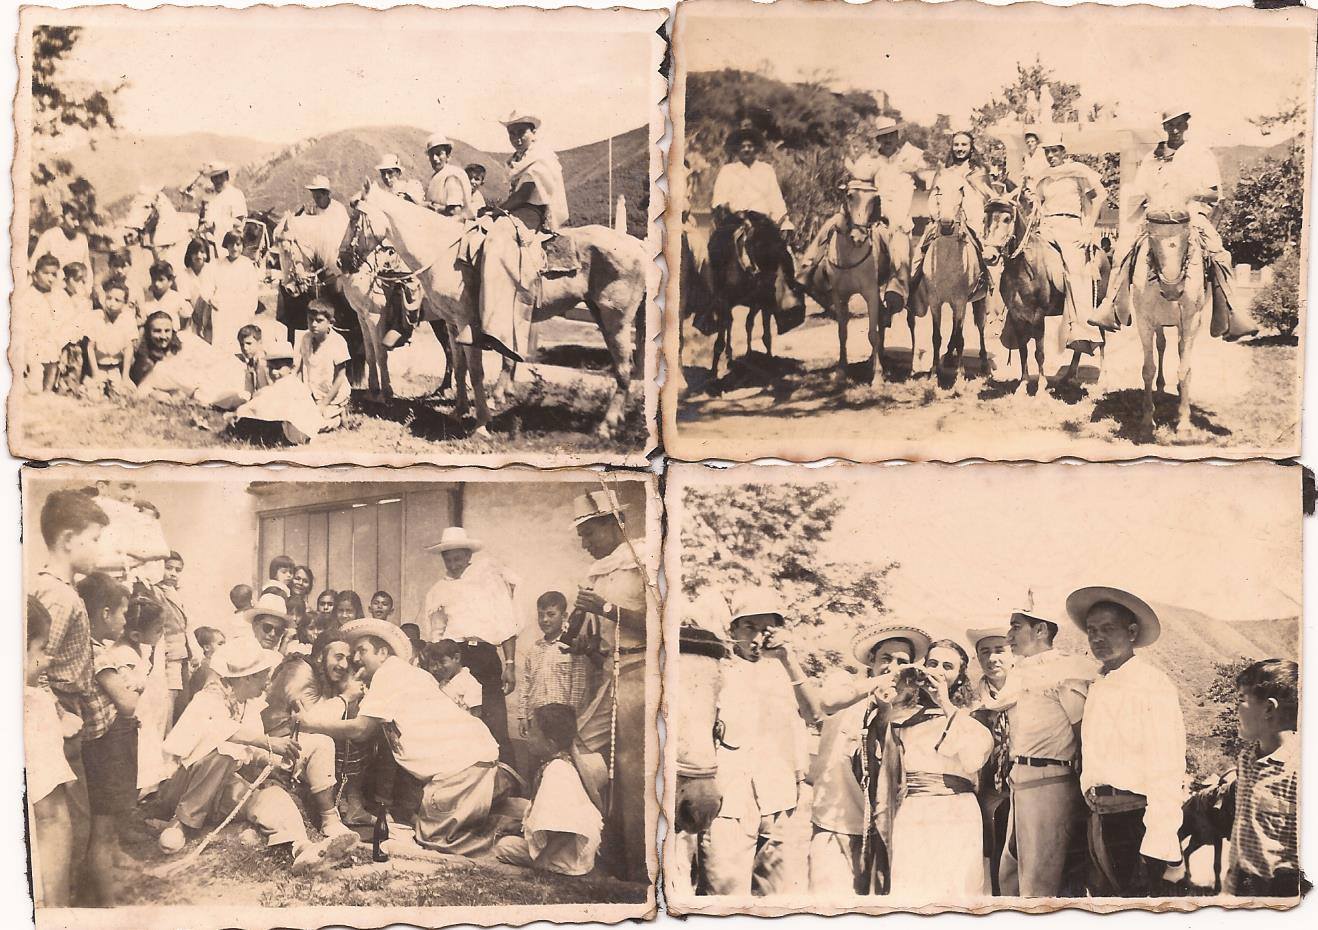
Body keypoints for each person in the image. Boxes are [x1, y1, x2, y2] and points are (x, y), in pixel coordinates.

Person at [296, 617, 504, 855]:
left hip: (461, 771)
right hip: (476, 761)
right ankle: (502, 819)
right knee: (423, 826)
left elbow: (361, 730)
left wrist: (310, 724)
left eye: (362, 650)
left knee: (431, 841)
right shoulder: (408, 674)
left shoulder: (388, 673)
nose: (355, 659)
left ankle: (500, 836)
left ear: (383, 652)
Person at [152, 638, 357, 874]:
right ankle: (180, 824)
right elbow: (220, 733)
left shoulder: (249, 705)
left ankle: (303, 849)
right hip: (183, 790)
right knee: (222, 754)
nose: (268, 681)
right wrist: (269, 743)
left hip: (223, 789)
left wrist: (275, 759)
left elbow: (250, 752)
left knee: (272, 797)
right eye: (263, 675)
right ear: (247, 678)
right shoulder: (208, 699)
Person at [1094, 108, 1256, 340]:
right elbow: (1140, 191)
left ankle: (1232, 313)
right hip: (1155, 217)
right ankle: (1110, 308)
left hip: (1190, 215)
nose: (1175, 129)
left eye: (1179, 123)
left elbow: (1214, 194)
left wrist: (1192, 193)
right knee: (1121, 251)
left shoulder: (1200, 154)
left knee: (1220, 254)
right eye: (1170, 125)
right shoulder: (1152, 157)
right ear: (1164, 127)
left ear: (1187, 125)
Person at [1066, 585, 1186, 897]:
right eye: (1092, 631)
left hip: (1135, 819)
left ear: (1131, 632)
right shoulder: (1100, 684)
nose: (1097, 638)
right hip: (1099, 816)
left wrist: (1160, 839)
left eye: (1108, 629)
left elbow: (1167, 765)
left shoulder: (1151, 685)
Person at [701, 590, 816, 897]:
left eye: (766, 630)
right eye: (748, 627)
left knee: (779, 897)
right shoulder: (716, 672)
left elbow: (814, 713)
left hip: (779, 801)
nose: (756, 638)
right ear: (733, 630)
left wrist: (789, 661)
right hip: (729, 801)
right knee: (726, 893)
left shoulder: (787, 674)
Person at [566, 490, 650, 884]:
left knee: (632, 771)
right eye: (581, 536)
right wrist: (585, 642)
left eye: (589, 533)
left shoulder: (645, 558)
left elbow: (661, 624)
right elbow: (597, 636)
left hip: (641, 667)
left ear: (615, 525)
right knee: (582, 748)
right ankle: (606, 845)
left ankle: (637, 866)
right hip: (608, 673)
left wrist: (604, 609)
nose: (584, 544)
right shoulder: (596, 571)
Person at [810, 624, 930, 895]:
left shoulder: (909, 708)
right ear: (872, 662)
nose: (893, 667)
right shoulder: (844, 683)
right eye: (886, 659)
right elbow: (827, 702)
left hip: (882, 833)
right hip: (834, 824)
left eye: (902, 662)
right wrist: (880, 683)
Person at [989, 605, 1096, 897]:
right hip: (1019, 781)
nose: (1009, 635)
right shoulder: (1020, 671)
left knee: (1039, 880)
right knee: (1010, 874)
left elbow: (1082, 728)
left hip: (1050, 779)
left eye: (1016, 626)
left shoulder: (1066, 669)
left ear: (1041, 630)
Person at [878, 639, 993, 901]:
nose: (938, 671)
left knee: (956, 889)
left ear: (959, 676)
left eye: (947, 666)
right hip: (913, 811)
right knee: (912, 890)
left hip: (956, 811)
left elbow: (973, 760)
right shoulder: (902, 717)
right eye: (932, 664)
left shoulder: (972, 717)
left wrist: (944, 703)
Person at [417, 526, 520, 762]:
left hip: (484, 656)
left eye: (458, 558)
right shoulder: (438, 590)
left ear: (468, 556)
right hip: (454, 658)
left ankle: (509, 787)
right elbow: (436, 634)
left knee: (495, 724)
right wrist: (439, 669)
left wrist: (510, 664)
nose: (453, 565)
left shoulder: (490, 581)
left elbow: (507, 624)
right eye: (448, 560)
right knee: (459, 725)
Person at [798, 117, 923, 313]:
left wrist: (919, 171)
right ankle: (807, 268)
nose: (887, 140)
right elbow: (858, 186)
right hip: (868, 212)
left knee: (899, 242)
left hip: (896, 216)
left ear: (897, 136)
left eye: (891, 135)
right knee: (833, 222)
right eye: (883, 137)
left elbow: (924, 179)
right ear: (878, 140)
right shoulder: (869, 161)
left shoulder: (909, 160)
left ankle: (898, 289)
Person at [74, 571, 140, 905]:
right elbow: (127, 704)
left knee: (109, 818)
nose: (125, 621)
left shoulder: (94, 648)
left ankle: (107, 877)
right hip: (106, 745)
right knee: (102, 826)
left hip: (109, 742)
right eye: (123, 613)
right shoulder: (98, 653)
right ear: (104, 614)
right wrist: (132, 687)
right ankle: (106, 902)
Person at [495, 703, 606, 876]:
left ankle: (552, 864)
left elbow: (567, 828)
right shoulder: (558, 764)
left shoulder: (557, 771)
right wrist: (520, 826)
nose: (528, 737)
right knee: (511, 830)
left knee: (504, 847)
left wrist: (542, 861)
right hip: (571, 854)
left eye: (533, 733)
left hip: (567, 859)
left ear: (550, 744)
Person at [1225, 659, 1299, 897]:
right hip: (1241, 887)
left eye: (1241, 700)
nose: (1236, 710)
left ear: (1268, 709)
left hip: (1282, 893)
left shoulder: (1300, 769)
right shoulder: (1246, 758)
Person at [25, 597, 79, 907]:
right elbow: (52, 816)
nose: (46, 660)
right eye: (41, 649)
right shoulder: (33, 704)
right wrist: (58, 911)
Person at [1033, 132, 1107, 355]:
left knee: (1076, 273)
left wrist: (1088, 228)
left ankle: (1084, 331)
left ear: (1064, 152)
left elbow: (1100, 195)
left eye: (1055, 150)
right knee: (1020, 260)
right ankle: (1005, 320)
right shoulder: (1043, 176)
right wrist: (1035, 204)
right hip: (1045, 226)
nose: (1051, 155)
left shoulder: (1079, 172)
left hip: (1070, 226)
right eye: (1047, 151)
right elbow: (1038, 200)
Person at [909, 130, 994, 309]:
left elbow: (987, 198)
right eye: (956, 144)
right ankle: (913, 291)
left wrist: (976, 218)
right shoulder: (944, 172)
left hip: (974, 220)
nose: (959, 148)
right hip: (945, 219)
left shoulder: (979, 172)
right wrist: (936, 216)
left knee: (988, 252)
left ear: (971, 148)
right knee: (920, 249)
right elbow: (933, 196)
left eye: (964, 145)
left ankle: (991, 290)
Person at [965, 624, 1015, 895]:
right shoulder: (974, 703)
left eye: (1000, 650)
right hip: (990, 794)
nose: (993, 658)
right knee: (993, 862)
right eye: (985, 652)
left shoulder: (1028, 692)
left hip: (1026, 790)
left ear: (1013, 654)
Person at [519, 590, 591, 757]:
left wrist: (571, 718)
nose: (545, 620)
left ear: (564, 616)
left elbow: (578, 685)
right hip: (537, 721)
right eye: (541, 615)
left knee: (562, 761)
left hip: (560, 722)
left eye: (551, 614)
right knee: (536, 764)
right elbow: (526, 684)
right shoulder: (534, 649)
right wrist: (523, 715)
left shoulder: (571, 648)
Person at [198, 231, 261, 353]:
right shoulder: (217, 264)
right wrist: (211, 299)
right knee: (222, 343)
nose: (234, 248)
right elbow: (207, 286)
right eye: (231, 245)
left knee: (240, 341)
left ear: (242, 245)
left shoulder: (247, 265)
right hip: (221, 309)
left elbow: (252, 290)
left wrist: (249, 309)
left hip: (240, 308)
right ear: (226, 245)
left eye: (238, 244)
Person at [19, 253, 74, 392]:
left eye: (54, 274)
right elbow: (23, 326)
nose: (50, 278)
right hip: (33, 346)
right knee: (34, 387)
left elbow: (68, 321)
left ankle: (48, 391)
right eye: (46, 273)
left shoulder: (60, 295)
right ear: (35, 274)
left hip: (54, 346)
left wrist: (62, 344)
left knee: (50, 383)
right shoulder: (28, 296)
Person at [295, 300, 351, 429]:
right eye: (310, 319)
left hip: (333, 396)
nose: (313, 324)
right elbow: (299, 368)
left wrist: (324, 403)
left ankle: (337, 418)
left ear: (330, 323)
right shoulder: (305, 339)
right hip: (313, 394)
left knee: (313, 424)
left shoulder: (337, 342)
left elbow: (340, 378)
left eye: (319, 321)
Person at [84, 277, 139, 396]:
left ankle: (116, 386)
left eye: (117, 300)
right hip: (98, 367)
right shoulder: (96, 317)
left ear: (125, 303)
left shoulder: (128, 319)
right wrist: (95, 373)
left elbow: (129, 349)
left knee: (125, 393)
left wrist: (125, 376)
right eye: (109, 298)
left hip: (116, 367)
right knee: (93, 395)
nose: (111, 303)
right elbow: (90, 348)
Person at [199, 162, 247, 259]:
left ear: (227, 176)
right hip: (208, 244)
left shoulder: (235, 194)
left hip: (229, 245)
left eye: (221, 177)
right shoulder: (209, 197)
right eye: (215, 177)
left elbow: (239, 221)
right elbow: (202, 219)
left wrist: (215, 225)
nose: (218, 180)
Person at [425, 639, 483, 714]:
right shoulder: (442, 682)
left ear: (456, 658)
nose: (438, 667)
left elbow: (476, 714)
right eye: (435, 664)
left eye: (442, 662)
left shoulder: (469, 683)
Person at [424, 133, 474, 219]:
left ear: (447, 155)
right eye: (431, 155)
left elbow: (455, 211)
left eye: (439, 154)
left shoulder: (452, 175)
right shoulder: (436, 176)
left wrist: (430, 206)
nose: (435, 158)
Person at [32, 202, 92, 272]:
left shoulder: (82, 239)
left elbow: (87, 268)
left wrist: (88, 282)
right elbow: (34, 264)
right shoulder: (50, 235)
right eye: (73, 219)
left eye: (80, 220)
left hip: (76, 281)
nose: (77, 223)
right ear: (63, 216)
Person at [129, 311, 184, 388]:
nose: (163, 336)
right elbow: (141, 388)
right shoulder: (145, 361)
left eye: (167, 331)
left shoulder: (179, 351)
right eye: (157, 331)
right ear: (148, 333)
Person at [140, 261, 192, 332]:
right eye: (154, 279)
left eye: (161, 280)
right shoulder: (146, 297)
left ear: (170, 281)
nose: (156, 283)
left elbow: (188, 317)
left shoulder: (177, 298)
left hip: (172, 336)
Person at [176, 240, 211, 341]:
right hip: (190, 319)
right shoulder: (183, 274)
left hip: (210, 318)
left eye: (202, 252)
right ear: (189, 255)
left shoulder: (213, 271)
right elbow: (184, 301)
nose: (199, 255)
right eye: (195, 252)